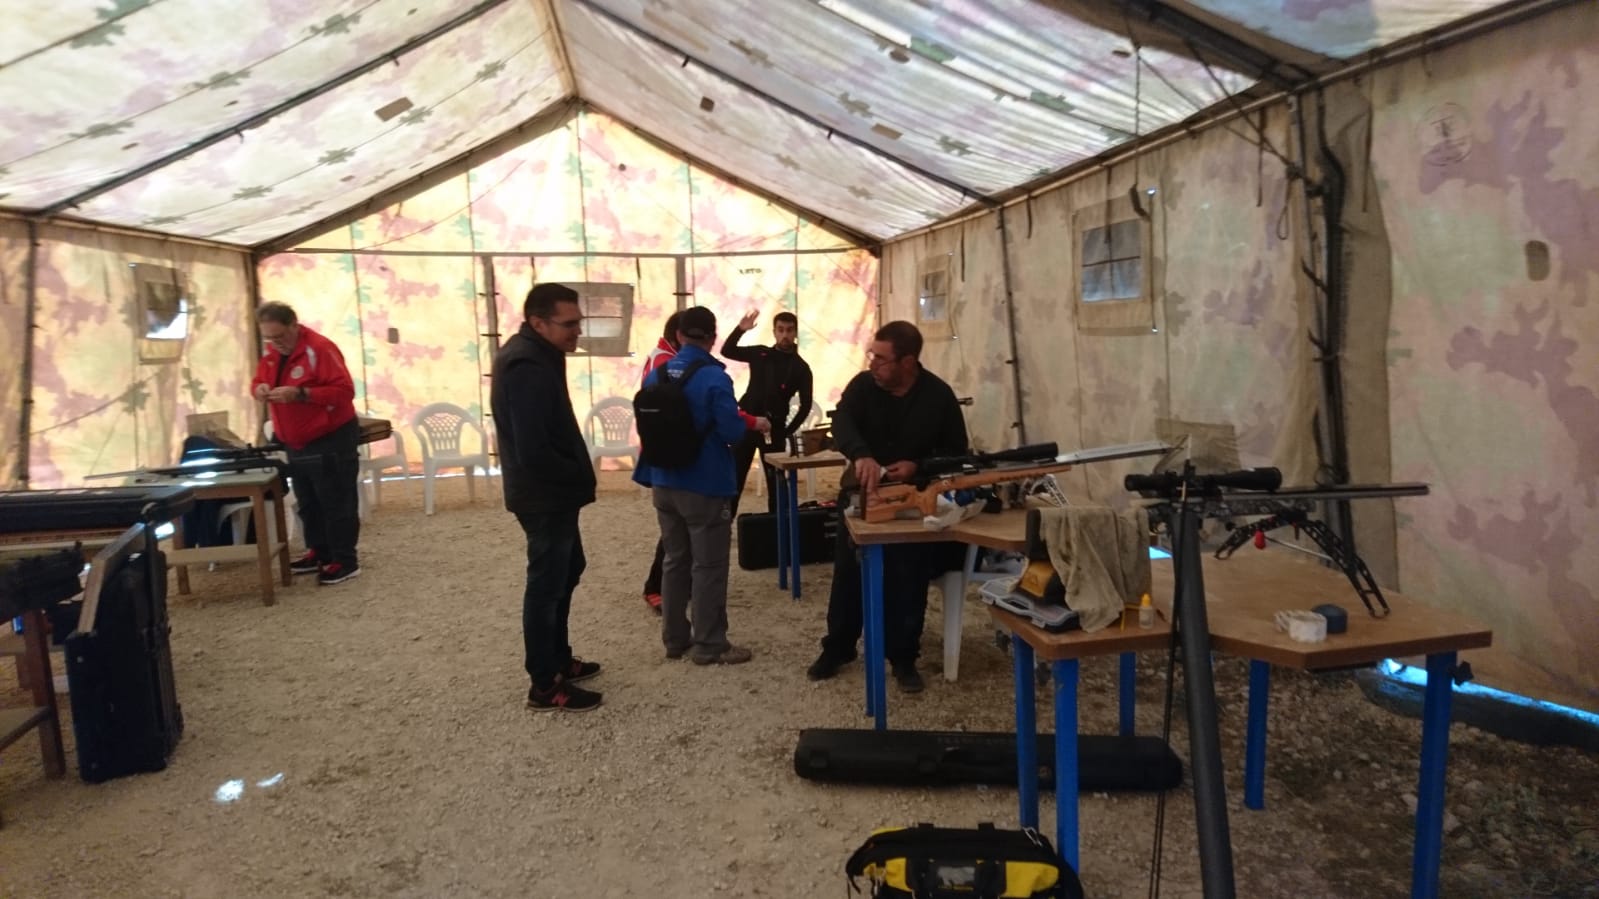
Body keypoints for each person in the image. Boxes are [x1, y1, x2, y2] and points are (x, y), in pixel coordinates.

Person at [806, 321, 968, 693]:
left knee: (907, 579)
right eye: (871, 355)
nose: (872, 363)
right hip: (861, 496)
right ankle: (839, 648)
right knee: (849, 575)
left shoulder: (939, 396)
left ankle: (904, 657)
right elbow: (842, 421)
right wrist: (860, 455)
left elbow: (956, 452)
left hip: (913, 500)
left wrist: (918, 466)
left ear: (907, 362)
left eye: (881, 358)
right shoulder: (864, 386)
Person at [491, 283, 604, 713]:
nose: (577, 331)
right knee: (546, 584)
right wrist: (573, 474)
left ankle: (559, 658)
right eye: (569, 323)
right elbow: (533, 448)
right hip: (544, 496)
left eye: (579, 322)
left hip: (554, 493)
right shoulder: (525, 365)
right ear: (539, 323)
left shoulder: (541, 354)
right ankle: (544, 682)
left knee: (568, 568)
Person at [634, 306, 764, 666]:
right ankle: (709, 644)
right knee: (708, 566)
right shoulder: (714, 378)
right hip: (704, 482)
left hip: (663, 480)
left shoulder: (656, 375)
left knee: (675, 561)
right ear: (712, 337)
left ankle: (675, 639)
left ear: (678, 336)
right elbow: (732, 431)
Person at [249, 301, 363, 586]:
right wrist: (259, 390)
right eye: (270, 339)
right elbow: (257, 380)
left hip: (330, 438)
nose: (277, 344)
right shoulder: (272, 355)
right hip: (294, 441)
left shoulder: (320, 349)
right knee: (308, 501)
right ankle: (319, 551)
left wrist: (301, 394)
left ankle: (345, 560)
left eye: (281, 336)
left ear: (294, 326)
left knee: (335, 501)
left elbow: (344, 391)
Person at [721, 310, 813, 516]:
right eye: (781, 330)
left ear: (796, 332)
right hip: (747, 424)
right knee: (734, 479)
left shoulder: (801, 368)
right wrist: (740, 329)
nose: (785, 335)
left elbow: (805, 405)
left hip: (774, 430)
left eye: (789, 330)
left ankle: (778, 531)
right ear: (774, 332)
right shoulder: (761, 354)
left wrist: (788, 431)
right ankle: (723, 527)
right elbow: (727, 350)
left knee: (777, 484)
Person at [637, 311, 682, 616]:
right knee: (674, 526)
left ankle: (673, 585)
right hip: (668, 454)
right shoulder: (665, 362)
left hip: (668, 452)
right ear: (681, 336)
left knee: (679, 524)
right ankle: (655, 587)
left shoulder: (665, 357)